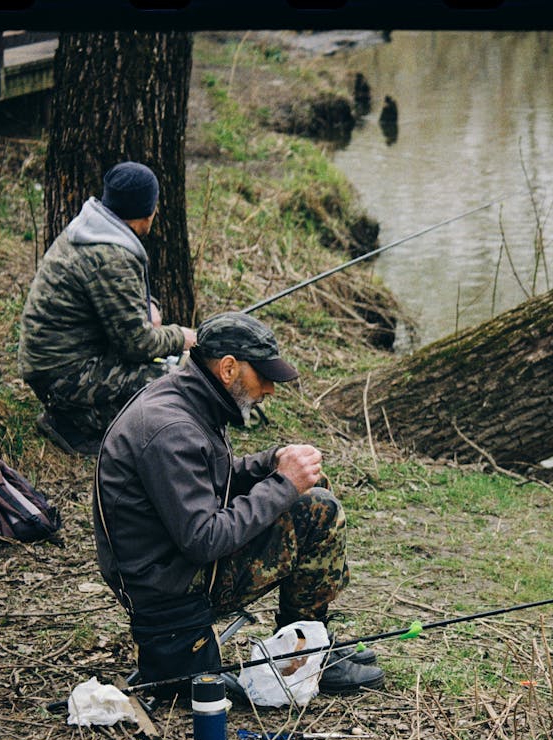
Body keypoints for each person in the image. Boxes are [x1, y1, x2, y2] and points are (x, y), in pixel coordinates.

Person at [93, 311, 383, 699]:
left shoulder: (187, 400)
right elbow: (203, 538)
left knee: (310, 490)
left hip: (173, 566)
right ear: (228, 368)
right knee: (317, 508)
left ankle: (302, 642)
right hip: (168, 593)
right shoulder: (171, 429)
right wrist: (283, 483)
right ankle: (307, 652)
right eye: (262, 377)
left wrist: (272, 462)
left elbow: (211, 479)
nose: (269, 390)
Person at [19, 161, 196, 456]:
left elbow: (108, 303)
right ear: (147, 210)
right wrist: (181, 336)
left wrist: (147, 308)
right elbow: (136, 345)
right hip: (62, 373)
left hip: (53, 361)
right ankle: (74, 423)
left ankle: (73, 412)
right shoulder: (110, 256)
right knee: (173, 384)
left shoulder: (92, 229)